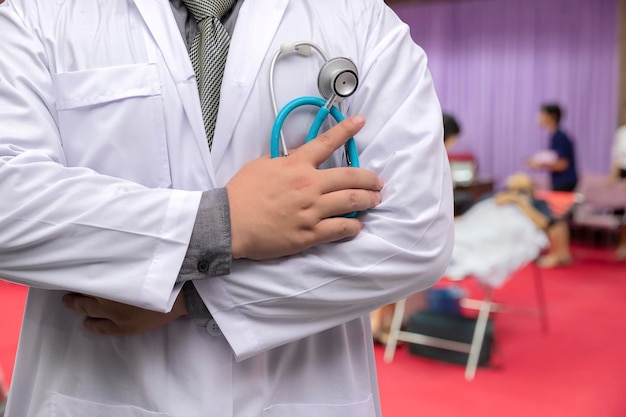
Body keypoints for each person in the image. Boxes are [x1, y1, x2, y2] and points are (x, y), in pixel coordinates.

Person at [0, 1, 454, 416]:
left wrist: (195, 299)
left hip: (301, 390)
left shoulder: (361, 20)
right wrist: (220, 223)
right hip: (99, 391)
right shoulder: (38, 15)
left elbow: (415, 232)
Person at [495, 173, 572, 267]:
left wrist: (523, 204)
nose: (518, 193)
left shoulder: (538, 203)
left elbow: (544, 223)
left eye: (523, 190)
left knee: (559, 226)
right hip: (508, 231)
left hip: (534, 229)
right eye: (515, 189)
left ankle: (559, 256)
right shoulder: (502, 200)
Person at [529, 103, 579, 192]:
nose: (539, 118)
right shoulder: (554, 136)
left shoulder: (561, 137)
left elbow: (562, 164)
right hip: (560, 181)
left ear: (552, 117)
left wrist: (539, 164)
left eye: (542, 114)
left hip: (565, 182)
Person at [608, 111, 626, 260]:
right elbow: (616, 156)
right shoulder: (621, 133)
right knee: (620, 213)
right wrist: (613, 177)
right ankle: (623, 244)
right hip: (622, 174)